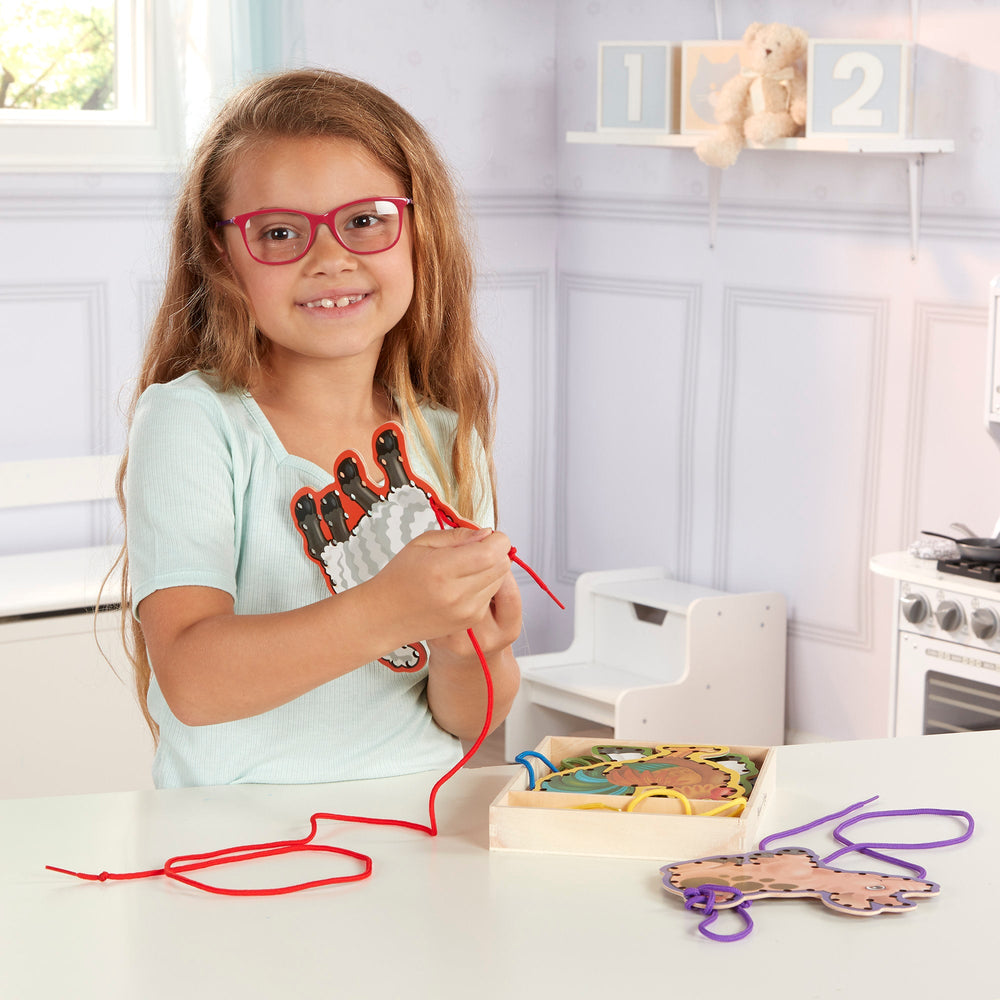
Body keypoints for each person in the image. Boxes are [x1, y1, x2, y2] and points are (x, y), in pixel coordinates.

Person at [116, 69, 522, 789]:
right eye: (280, 232)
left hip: (418, 820)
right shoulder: (194, 422)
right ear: (221, 254)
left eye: (365, 220)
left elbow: (469, 720)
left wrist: (472, 653)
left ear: (419, 230)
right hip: (236, 836)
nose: (331, 258)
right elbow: (194, 682)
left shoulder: (447, 438)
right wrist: (388, 609)